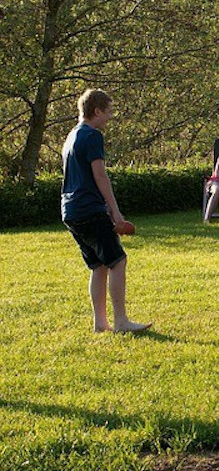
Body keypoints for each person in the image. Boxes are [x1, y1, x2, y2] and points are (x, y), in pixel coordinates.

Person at [61, 89, 152, 334]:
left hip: (71, 210)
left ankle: (100, 324)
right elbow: (100, 176)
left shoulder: (72, 135)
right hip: (89, 208)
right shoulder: (92, 135)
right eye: (108, 111)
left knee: (98, 265)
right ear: (97, 110)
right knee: (117, 261)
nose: (110, 117)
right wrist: (116, 213)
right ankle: (121, 321)